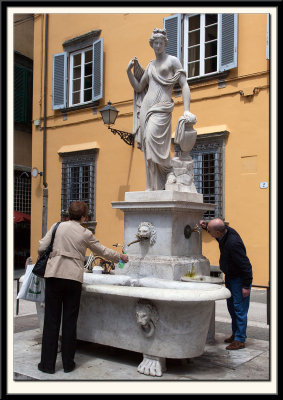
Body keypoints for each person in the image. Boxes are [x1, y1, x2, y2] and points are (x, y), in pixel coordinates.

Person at [37, 201, 129, 374]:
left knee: (51, 321)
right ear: (84, 217)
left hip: (54, 275)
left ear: (68, 214)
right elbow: (102, 251)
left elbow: (41, 247)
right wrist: (120, 257)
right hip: (73, 278)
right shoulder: (86, 233)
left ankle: (47, 365)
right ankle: (68, 364)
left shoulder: (57, 227)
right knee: (70, 322)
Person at [127, 28, 196, 191]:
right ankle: (151, 186)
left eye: (160, 43)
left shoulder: (172, 61)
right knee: (148, 148)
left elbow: (184, 84)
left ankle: (170, 170)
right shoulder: (150, 66)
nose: (157, 46)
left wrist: (187, 110)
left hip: (162, 109)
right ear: (152, 45)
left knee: (153, 142)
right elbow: (138, 87)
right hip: (146, 109)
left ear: (165, 44)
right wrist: (128, 72)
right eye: (155, 43)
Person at [200, 218, 253, 350]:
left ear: (218, 232)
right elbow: (216, 233)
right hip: (231, 276)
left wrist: (246, 286)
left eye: (211, 232)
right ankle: (236, 334)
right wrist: (205, 226)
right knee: (232, 307)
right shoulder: (225, 233)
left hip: (239, 279)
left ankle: (240, 340)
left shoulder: (233, 243)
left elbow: (246, 265)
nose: (210, 234)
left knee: (239, 309)